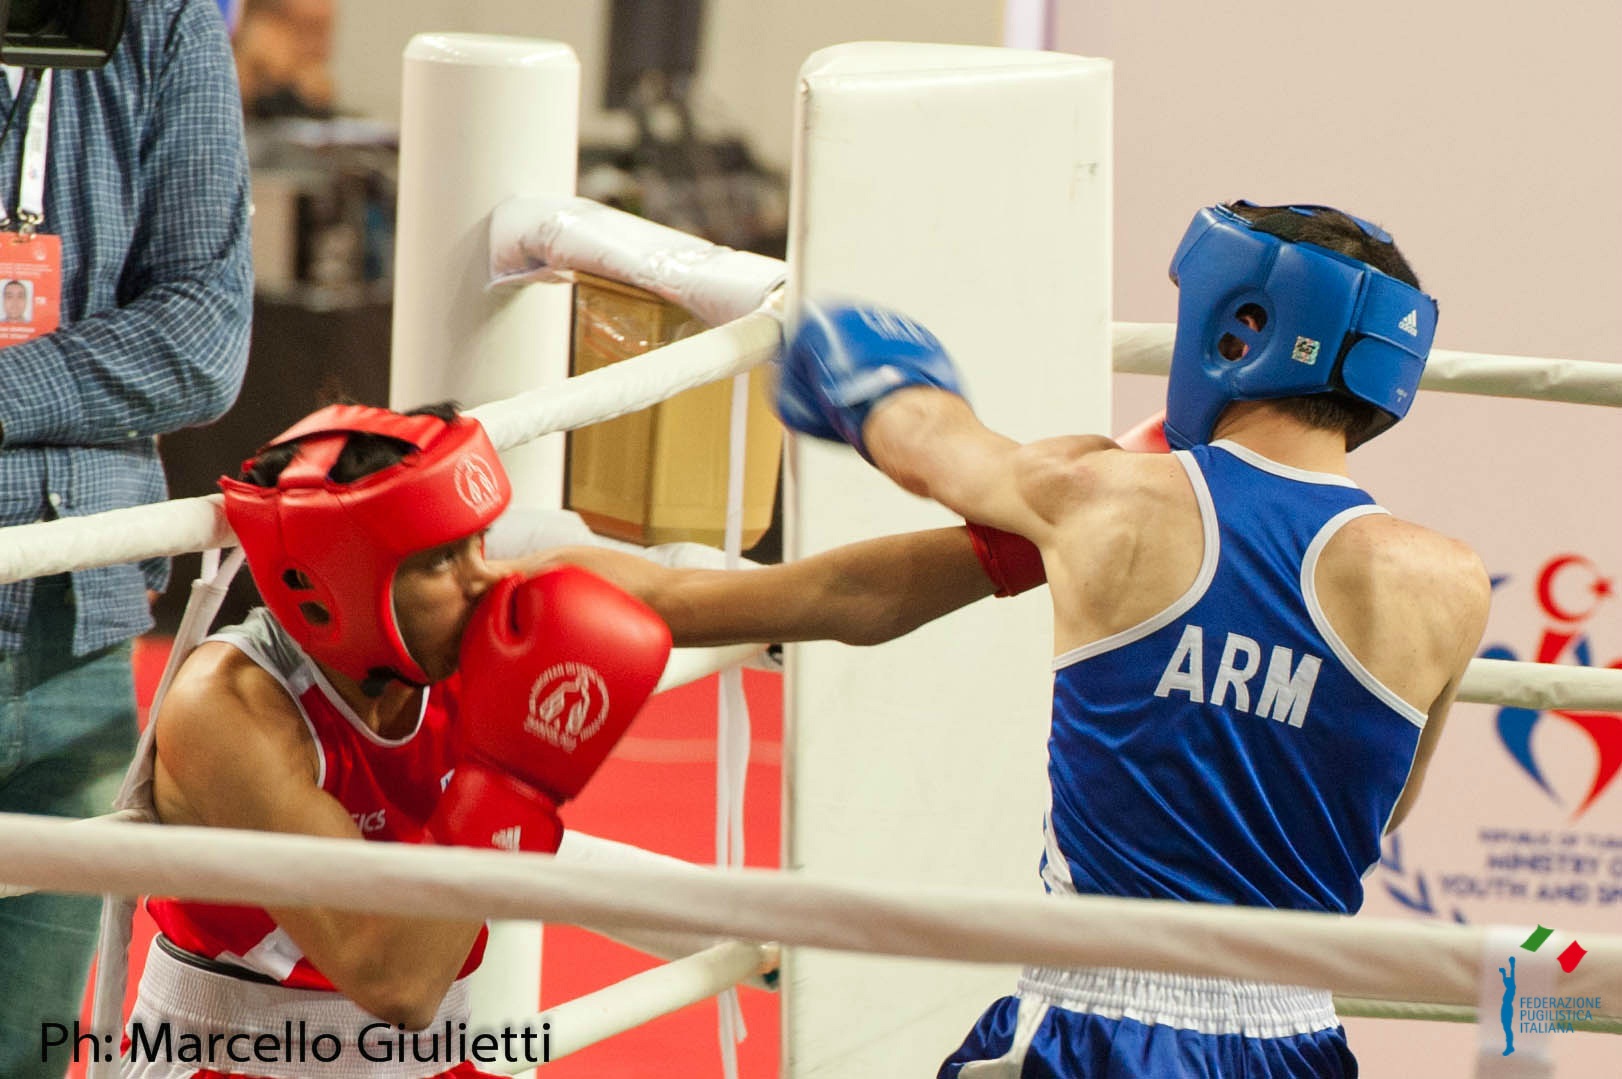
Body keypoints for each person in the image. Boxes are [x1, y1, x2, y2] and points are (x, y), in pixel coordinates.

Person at [769, 201, 1493, 1077]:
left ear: (1241, 328)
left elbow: (926, 449)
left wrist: (864, 364)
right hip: (1298, 1038)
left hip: (1094, 1022)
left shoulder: (1110, 498)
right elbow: (1386, 805)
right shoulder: (1451, 585)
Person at [129, 403, 674, 1078]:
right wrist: (510, 790)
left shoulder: (464, 625)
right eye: (443, 557)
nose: (484, 579)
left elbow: (789, 594)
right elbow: (401, 985)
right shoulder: (230, 705)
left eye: (479, 541)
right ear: (338, 581)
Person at [0, 3, 253, 1076]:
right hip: (81, 565)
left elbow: (204, 333)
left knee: (26, 1041)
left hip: (76, 620)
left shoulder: (164, 12)